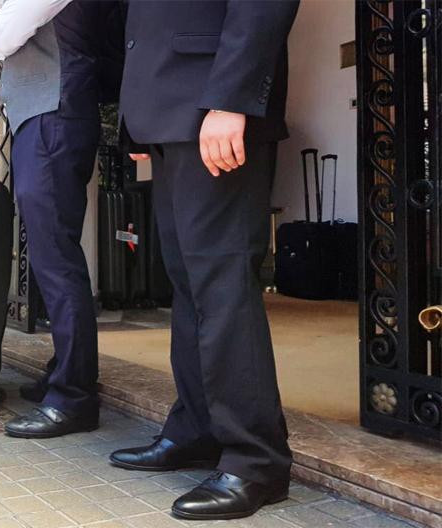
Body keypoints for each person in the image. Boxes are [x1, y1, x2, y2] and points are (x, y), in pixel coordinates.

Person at [110, 0, 300, 520]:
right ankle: (197, 428)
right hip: (170, 108)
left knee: (223, 286)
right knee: (189, 284)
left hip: (213, 101)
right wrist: (137, 117)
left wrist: (231, 99)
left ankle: (256, 460)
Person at [0, 0, 124, 439]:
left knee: (57, 257)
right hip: (50, 116)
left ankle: (74, 395)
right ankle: (65, 370)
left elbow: (0, 37)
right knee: (52, 253)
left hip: (52, 116)